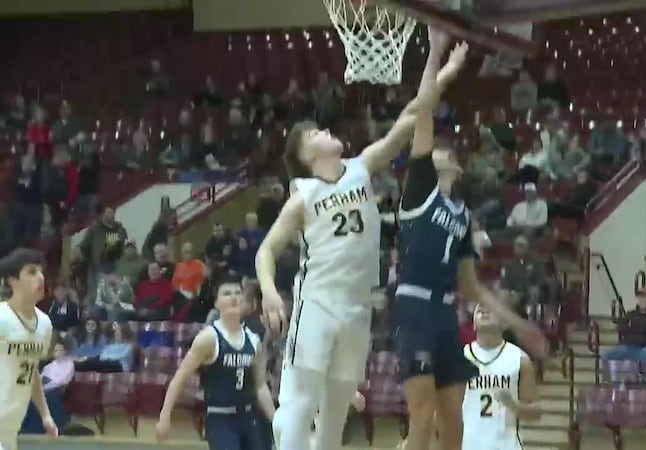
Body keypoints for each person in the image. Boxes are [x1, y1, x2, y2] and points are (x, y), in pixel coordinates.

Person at [255, 28, 468, 450]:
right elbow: (267, 249)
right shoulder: (303, 196)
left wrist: (440, 63)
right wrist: (268, 291)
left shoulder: (361, 166)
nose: (325, 131)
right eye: (314, 133)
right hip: (317, 300)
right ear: (306, 155)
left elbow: (414, 114)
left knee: (336, 414)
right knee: (299, 407)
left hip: (357, 306)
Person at [393, 31, 547, 450]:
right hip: (413, 305)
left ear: (458, 169)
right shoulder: (420, 189)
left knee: (453, 425)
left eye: (447, 154)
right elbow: (424, 108)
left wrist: (520, 325)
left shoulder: (462, 215)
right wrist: (438, 55)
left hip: (445, 314)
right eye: (434, 151)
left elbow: (472, 287)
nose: (438, 153)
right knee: (421, 418)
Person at [156, 279, 275, 450]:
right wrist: (164, 416)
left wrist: (277, 422)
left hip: (251, 417)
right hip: (221, 419)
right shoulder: (208, 338)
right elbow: (179, 379)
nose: (234, 297)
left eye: (237, 293)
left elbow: (260, 386)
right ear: (217, 303)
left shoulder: (253, 340)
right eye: (227, 294)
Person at [0, 248, 58, 448]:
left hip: (10, 428)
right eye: (32, 272)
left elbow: (31, 371)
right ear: (12, 280)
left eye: (41, 272)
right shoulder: (1, 318)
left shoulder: (44, 324)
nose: (40, 277)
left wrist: (46, 415)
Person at [462, 304, 540, 450]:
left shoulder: (519, 359)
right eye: (479, 310)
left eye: (490, 308)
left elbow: (536, 412)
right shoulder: (460, 358)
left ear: (504, 323)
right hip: (468, 445)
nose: (484, 310)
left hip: (506, 445)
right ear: (473, 324)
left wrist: (513, 405)